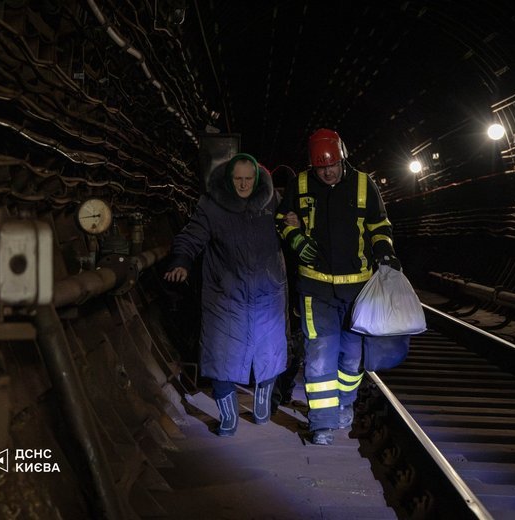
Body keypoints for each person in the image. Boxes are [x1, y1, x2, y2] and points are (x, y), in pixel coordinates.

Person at [275, 128, 401, 445]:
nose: (328, 172)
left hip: (357, 291)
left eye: (332, 166)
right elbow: (280, 218)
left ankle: (344, 403)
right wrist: (295, 238)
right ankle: (322, 423)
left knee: (352, 359)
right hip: (315, 289)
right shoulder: (300, 185)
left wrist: (384, 251)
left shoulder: (363, 184)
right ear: (313, 166)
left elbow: (378, 224)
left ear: (342, 158)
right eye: (321, 168)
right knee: (319, 354)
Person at [165, 153, 287, 436]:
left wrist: (295, 225)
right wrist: (181, 261)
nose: (243, 185)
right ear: (229, 179)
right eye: (238, 179)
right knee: (220, 357)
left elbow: (290, 230)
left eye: (248, 179)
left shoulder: (271, 201)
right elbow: (191, 236)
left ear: (256, 179)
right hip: (225, 296)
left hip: (267, 293)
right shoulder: (212, 205)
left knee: (269, 355)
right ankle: (228, 417)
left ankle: (261, 406)